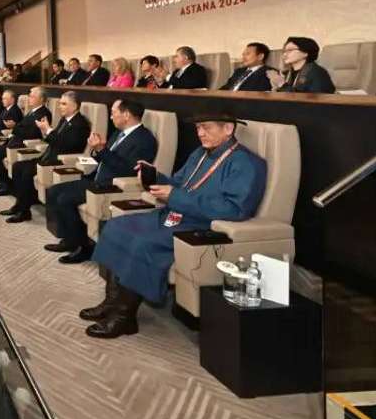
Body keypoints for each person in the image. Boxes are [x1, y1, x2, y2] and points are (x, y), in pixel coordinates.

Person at [85, 114, 266, 338]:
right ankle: (112, 301)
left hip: (201, 225)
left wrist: (176, 197)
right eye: (198, 128)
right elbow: (177, 184)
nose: (200, 133)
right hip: (173, 214)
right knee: (116, 225)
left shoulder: (246, 163)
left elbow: (234, 209)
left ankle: (124, 316)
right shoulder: (200, 153)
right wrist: (154, 175)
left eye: (206, 128)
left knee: (142, 242)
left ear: (228, 128)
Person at [45, 99, 157, 263]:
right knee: (54, 190)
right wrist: (97, 150)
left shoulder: (144, 139)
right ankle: (70, 240)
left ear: (126, 115)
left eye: (113, 113)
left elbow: (128, 170)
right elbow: (105, 158)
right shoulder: (119, 133)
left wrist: (101, 150)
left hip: (111, 186)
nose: (111, 117)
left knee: (64, 199)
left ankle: (84, 248)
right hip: (96, 179)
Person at [0, 91, 90, 222]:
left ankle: (24, 212)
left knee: (26, 172)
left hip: (60, 161)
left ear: (75, 106)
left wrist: (48, 130)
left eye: (64, 104)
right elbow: (54, 140)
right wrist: (45, 131)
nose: (60, 106)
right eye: (60, 103)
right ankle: (19, 205)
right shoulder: (64, 120)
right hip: (48, 156)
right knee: (17, 166)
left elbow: (68, 146)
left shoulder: (80, 124)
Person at [0, 87, 50, 196]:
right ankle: (2, 182)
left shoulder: (43, 113)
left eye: (32, 96)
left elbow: (33, 132)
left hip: (23, 144)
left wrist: (15, 126)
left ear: (41, 99)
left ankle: (7, 185)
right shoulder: (31, 111)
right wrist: (16, 127)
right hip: (14, 140)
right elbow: (22, 126)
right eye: (29, 96)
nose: (29, 98)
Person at [268, 37, 335, 93]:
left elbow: (312, 100)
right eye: (284, 51)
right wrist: (275, 88)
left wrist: (282, 84)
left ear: (305, 53)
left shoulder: (317, 72)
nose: (285, 54)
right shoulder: (286, 74)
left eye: (290, 50)